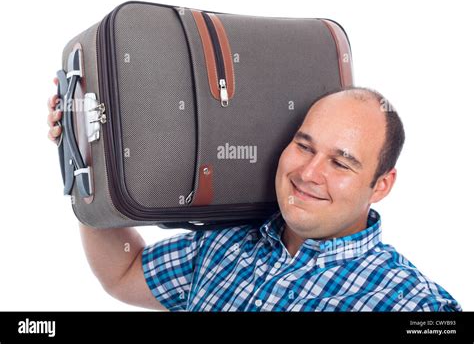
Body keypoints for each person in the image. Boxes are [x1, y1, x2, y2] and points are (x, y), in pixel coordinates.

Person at [47, 83, 461, 311]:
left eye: (341, 163)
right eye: (304, 146)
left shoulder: (414, 305)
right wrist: (86, 154)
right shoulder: (227, 241)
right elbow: (123, 272)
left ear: (382, 185)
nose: (309, 174)